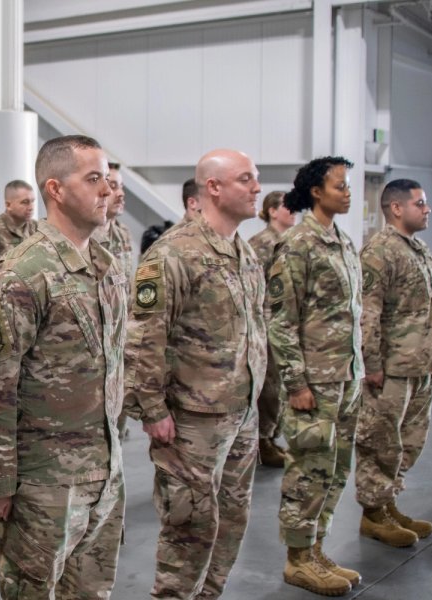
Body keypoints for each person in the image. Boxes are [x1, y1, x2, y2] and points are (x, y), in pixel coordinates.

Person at [0, 135, 125, 599]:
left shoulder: (106, 265)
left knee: (93, 592)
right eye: (93, 179)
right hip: (44, 479)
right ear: (55, 189)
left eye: (107, 178)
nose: (107, 189)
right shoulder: (22, 272)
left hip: (104, 468)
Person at [126, 149, 267, 599]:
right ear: (214, 188)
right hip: (191, 420)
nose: (257, 188)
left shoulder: (244, 252)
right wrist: (151, 409)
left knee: (232, 517)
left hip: (240, 412)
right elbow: (144, 337)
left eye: (256, 178)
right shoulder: (173, 253)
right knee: (190, 527)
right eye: (246, 179)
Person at [268, 156, 363, 596]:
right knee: (308, 469)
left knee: (336, 468)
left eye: (348, 185)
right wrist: (297, 383)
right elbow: (281, 320)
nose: (348, 192)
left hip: (345, 376)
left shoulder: (341, 242)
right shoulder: (298, 244)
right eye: (340, 186)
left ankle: (316, 546)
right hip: (315, 381)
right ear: (316, 192)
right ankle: (297, 559)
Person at [354, 179, 432, 548]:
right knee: (380, 443)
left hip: (420, 364)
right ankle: (373, 515)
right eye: (419, 203)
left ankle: (389, 503)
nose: (427, 209)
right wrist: (372, 363)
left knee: (409, 442)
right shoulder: (380, 251)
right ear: (396, 208)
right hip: (390, 368)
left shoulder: (418, 249)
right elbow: (367, 313)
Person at [248, 190, 295, 468]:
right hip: (267, 324)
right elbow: (254, 288)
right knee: (269, 387)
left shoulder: (290, 241)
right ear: (273, 211)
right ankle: (262, 439)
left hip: (284, 323)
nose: (293, 212)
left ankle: (272, 436)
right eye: (287, 207)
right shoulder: (261, 244)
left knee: (281, 387)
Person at [93, 162, 133, 278]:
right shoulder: (83, 236)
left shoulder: (123, 234)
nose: (121, 193)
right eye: (113, 186)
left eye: (121, 187)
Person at [0, 179, 37, 261]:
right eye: (25, 202)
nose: (31, 207)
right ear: (8, 205)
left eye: (32, 201)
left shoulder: (36, 227)